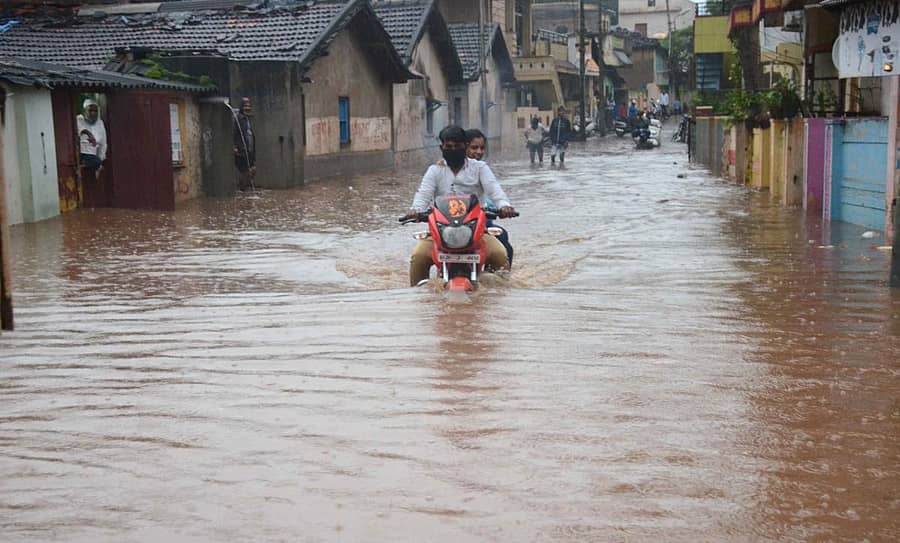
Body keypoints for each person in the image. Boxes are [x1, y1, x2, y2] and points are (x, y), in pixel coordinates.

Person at [402, 125, 516, 286]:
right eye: (449, 147)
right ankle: (417, 295)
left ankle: (503, 295)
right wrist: (415, 211)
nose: (453, 150)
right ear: (441, 147)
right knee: (418, 256)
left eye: (457, 146)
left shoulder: (479, 168)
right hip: (440, 232)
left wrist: (504, 206)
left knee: (499, 253)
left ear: (464, 146)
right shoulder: (434, 170)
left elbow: (495, 191)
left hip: (476, 231)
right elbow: (422, 195)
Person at [466, 128, 514, 267]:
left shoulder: (482, 168)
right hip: (452, 225)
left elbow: (494, 190)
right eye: (474, 148)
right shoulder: (443, 167)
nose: (479, 152)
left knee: (503, 240)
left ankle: (504, 278)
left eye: (482, 148)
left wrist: (503, 206)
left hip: (480, 224)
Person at [77, 98, 107, 174]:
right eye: (90, 110)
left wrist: (100, 160)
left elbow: (103, 144)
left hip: (94, 158)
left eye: (95, 111)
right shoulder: (79, 119)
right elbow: (80, 129)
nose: (93, 113)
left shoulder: (100, 123)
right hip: (82, 154)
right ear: (85, 111)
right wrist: (89, 134)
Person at [233, 96, 256, 191]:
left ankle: (242, 188)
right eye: (246, 105)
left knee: (253, 170)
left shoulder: (247, 118)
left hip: (250, 149)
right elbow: (234, 132)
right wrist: (234, 146)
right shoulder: (238, 118)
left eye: (249, 106)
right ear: (242, 106)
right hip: (241, 150)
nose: (248, 107)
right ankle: (242, 191)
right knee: (245, 172)